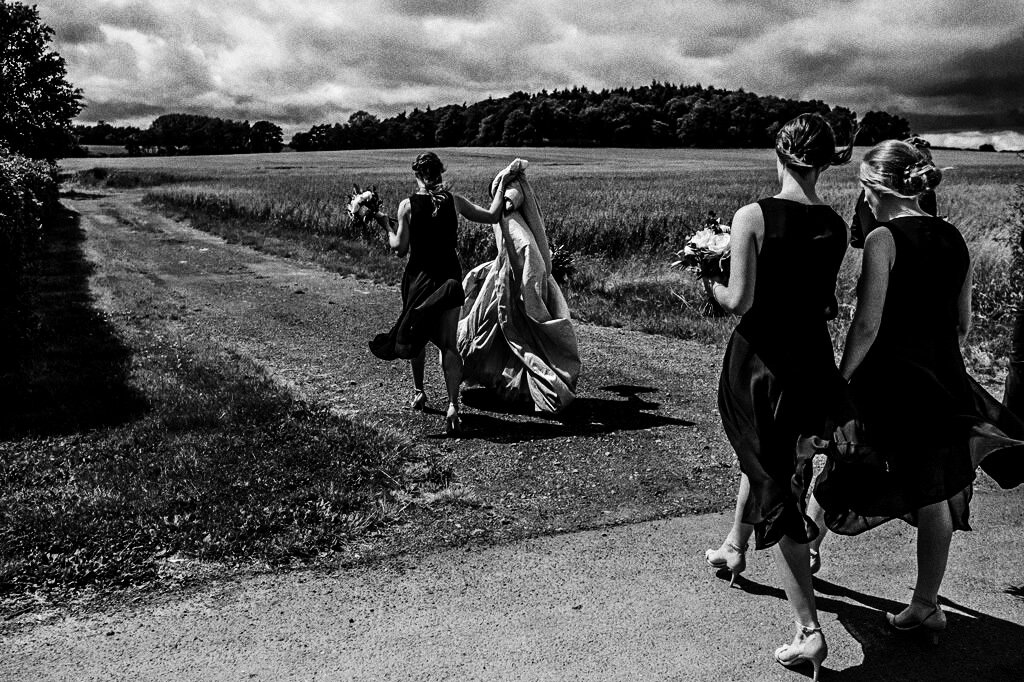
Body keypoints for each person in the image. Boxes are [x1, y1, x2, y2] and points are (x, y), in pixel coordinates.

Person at [814, 140, 1024, 641]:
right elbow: (963, 323)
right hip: (941, 381)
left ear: (872, 187)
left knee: (844, 459)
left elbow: (866, 326)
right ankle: (926, 605)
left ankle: (808, 550)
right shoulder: (953, 237)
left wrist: (840, 381)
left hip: (888, 381)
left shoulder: (885, 239)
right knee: (935, 490)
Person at [704, 113, 852, 680]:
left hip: (761, 366)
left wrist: (707, 278)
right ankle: (734, 547)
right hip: (813, 363)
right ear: (822, 160)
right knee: (766, 459)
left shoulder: (753, 217)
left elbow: (740, 299)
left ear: (780, 153)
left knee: (773, 482)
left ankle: (808, 630)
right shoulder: (835, 224)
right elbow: (829, 304)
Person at [368, 152, 515, 435]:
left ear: (417, 175)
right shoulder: (456, 201)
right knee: (449, 345)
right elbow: (493, 215)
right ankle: (452, 406)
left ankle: (420, 391)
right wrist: (504, 184)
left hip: (419, 280)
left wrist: (385, 223)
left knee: (417, 335)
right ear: (440, 173)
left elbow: (398, 248)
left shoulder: (407, 206)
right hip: (449, 279)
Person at [458, 159, 580, 414]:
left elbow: (523, 255)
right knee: (517, 335)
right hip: (512, 282)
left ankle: (511, 381)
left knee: (511, 333)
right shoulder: (516, 221)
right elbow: (526, 256)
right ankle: (512, 381)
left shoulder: (511, 221)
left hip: (515, 285)